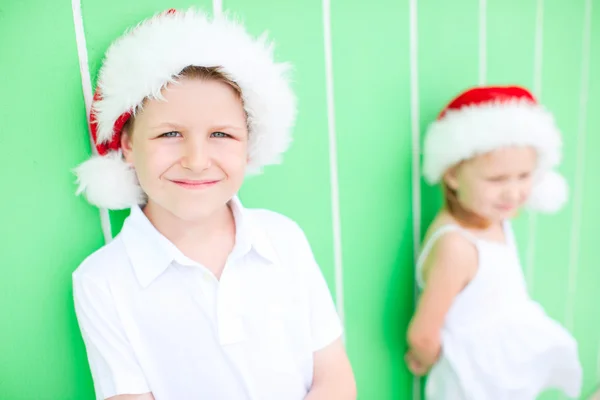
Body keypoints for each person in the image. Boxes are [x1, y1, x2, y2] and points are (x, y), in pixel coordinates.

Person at [71, 8, 356, 400]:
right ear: (127, 145)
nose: (197, 159)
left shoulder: (283, 238)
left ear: (248, 144)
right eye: (170, 133)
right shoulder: (103, 281)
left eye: (221, 134)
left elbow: (334, 376)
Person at [405, 85, 583, 399]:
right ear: (452, 174)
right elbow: (422, 334)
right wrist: (425, 359)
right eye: (497, 179)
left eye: (524, 176)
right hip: (472, 380)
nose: (513, 193)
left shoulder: (493, 218)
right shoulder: (456, 247)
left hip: (502, 368)